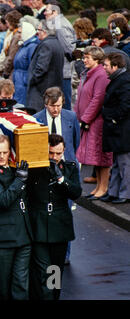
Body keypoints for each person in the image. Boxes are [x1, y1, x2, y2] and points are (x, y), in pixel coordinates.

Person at [28, 134, 82, 300]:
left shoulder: (70, 168)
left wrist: (61, 178)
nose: (55, 157)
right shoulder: (35, 168)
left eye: (58, 153)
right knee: (41, 268)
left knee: (56, 269)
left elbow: (76, 193)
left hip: (59, 226)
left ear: (64, 150)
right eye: (51, 153)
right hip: (39, 224)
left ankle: (53, 296)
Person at [0, 134, 33, 300]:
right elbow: (4, 200)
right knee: (1, 288)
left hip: (23, 236)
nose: (2, 156)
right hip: (2, 239)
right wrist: (19, 180)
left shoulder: (14, 169)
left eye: (5, 152)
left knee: (21, 286)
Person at [75, 46, 112, 200]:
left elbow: (98, 99)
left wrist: (86, 118)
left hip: (97, 122)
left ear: (96, 59)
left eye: (87, 57)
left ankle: (103, 187)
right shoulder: (89, 74)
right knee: (94, 156)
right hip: (89, 121)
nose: (84, 60)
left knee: (101, 157)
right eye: (84, 57)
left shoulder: (100, 75)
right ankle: (98, 187)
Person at [101, 53, 130, 204]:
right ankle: (114, 192)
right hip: (118, 128)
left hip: (122, 129)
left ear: (115, 66)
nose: (103, 68)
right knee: (118, 162)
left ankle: (125, 194)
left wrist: (110, 116)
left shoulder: (124, 82)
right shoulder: (119, 80)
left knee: (124, 163)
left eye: (106, 65)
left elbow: (125, 106)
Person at [26, 19, 64, 114]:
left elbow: (41, 68)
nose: (37, 33)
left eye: (38, 30)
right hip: (51, 88)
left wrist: (32, 80)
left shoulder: (46, 45)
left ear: (45, 31)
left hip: (41, 90)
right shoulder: (56, 42)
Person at [33, 87, 80, 163]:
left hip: (68, 163)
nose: (56, 109)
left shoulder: (71, 117)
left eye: (58, 106)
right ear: (45, 104)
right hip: (45, 163)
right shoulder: (35, 119)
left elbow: (76, 141)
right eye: (52, 106)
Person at [44, 4, 76, 110]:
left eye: (47, 10)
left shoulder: (60, 25)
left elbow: (69, 48)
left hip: (64, 71)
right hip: (62, 69)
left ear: (54, 12)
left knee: (64, 102)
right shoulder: (58, 23)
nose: (44, 13)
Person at [12, 21, 39, 105]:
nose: (18, 34)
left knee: (22, 105)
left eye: (20, 32)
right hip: (19, 80)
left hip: (23, 82)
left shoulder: (31, 47)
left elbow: (32, 66)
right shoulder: (24, 45)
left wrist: (26, 80)